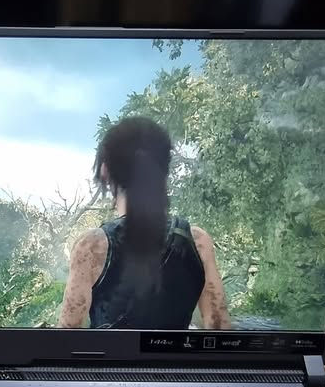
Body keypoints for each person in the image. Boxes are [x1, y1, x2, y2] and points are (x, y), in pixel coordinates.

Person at [58, 116, 230, 329]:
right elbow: (219, 329)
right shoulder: (197, 241)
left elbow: (66, 337)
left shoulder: (92, 247)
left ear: (105, 170)